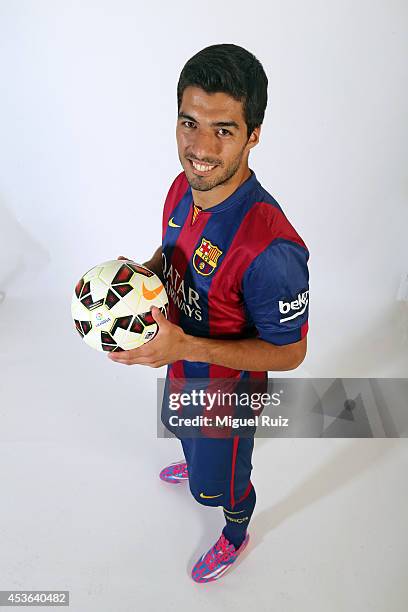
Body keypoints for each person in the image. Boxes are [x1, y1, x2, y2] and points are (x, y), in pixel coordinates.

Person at [108, 43, 309, 583]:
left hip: (227, 393)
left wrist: (186, 347)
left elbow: (291, 351)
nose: (199, 147)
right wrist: (139, 276)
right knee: (178, 425)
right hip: (180, 361)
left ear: (253, 135)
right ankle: (194, 457)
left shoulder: (273, 250)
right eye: (189, 122)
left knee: (224, 481)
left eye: (223, 130)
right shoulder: (183, 186)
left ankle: (236, 532)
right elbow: (171, 251)